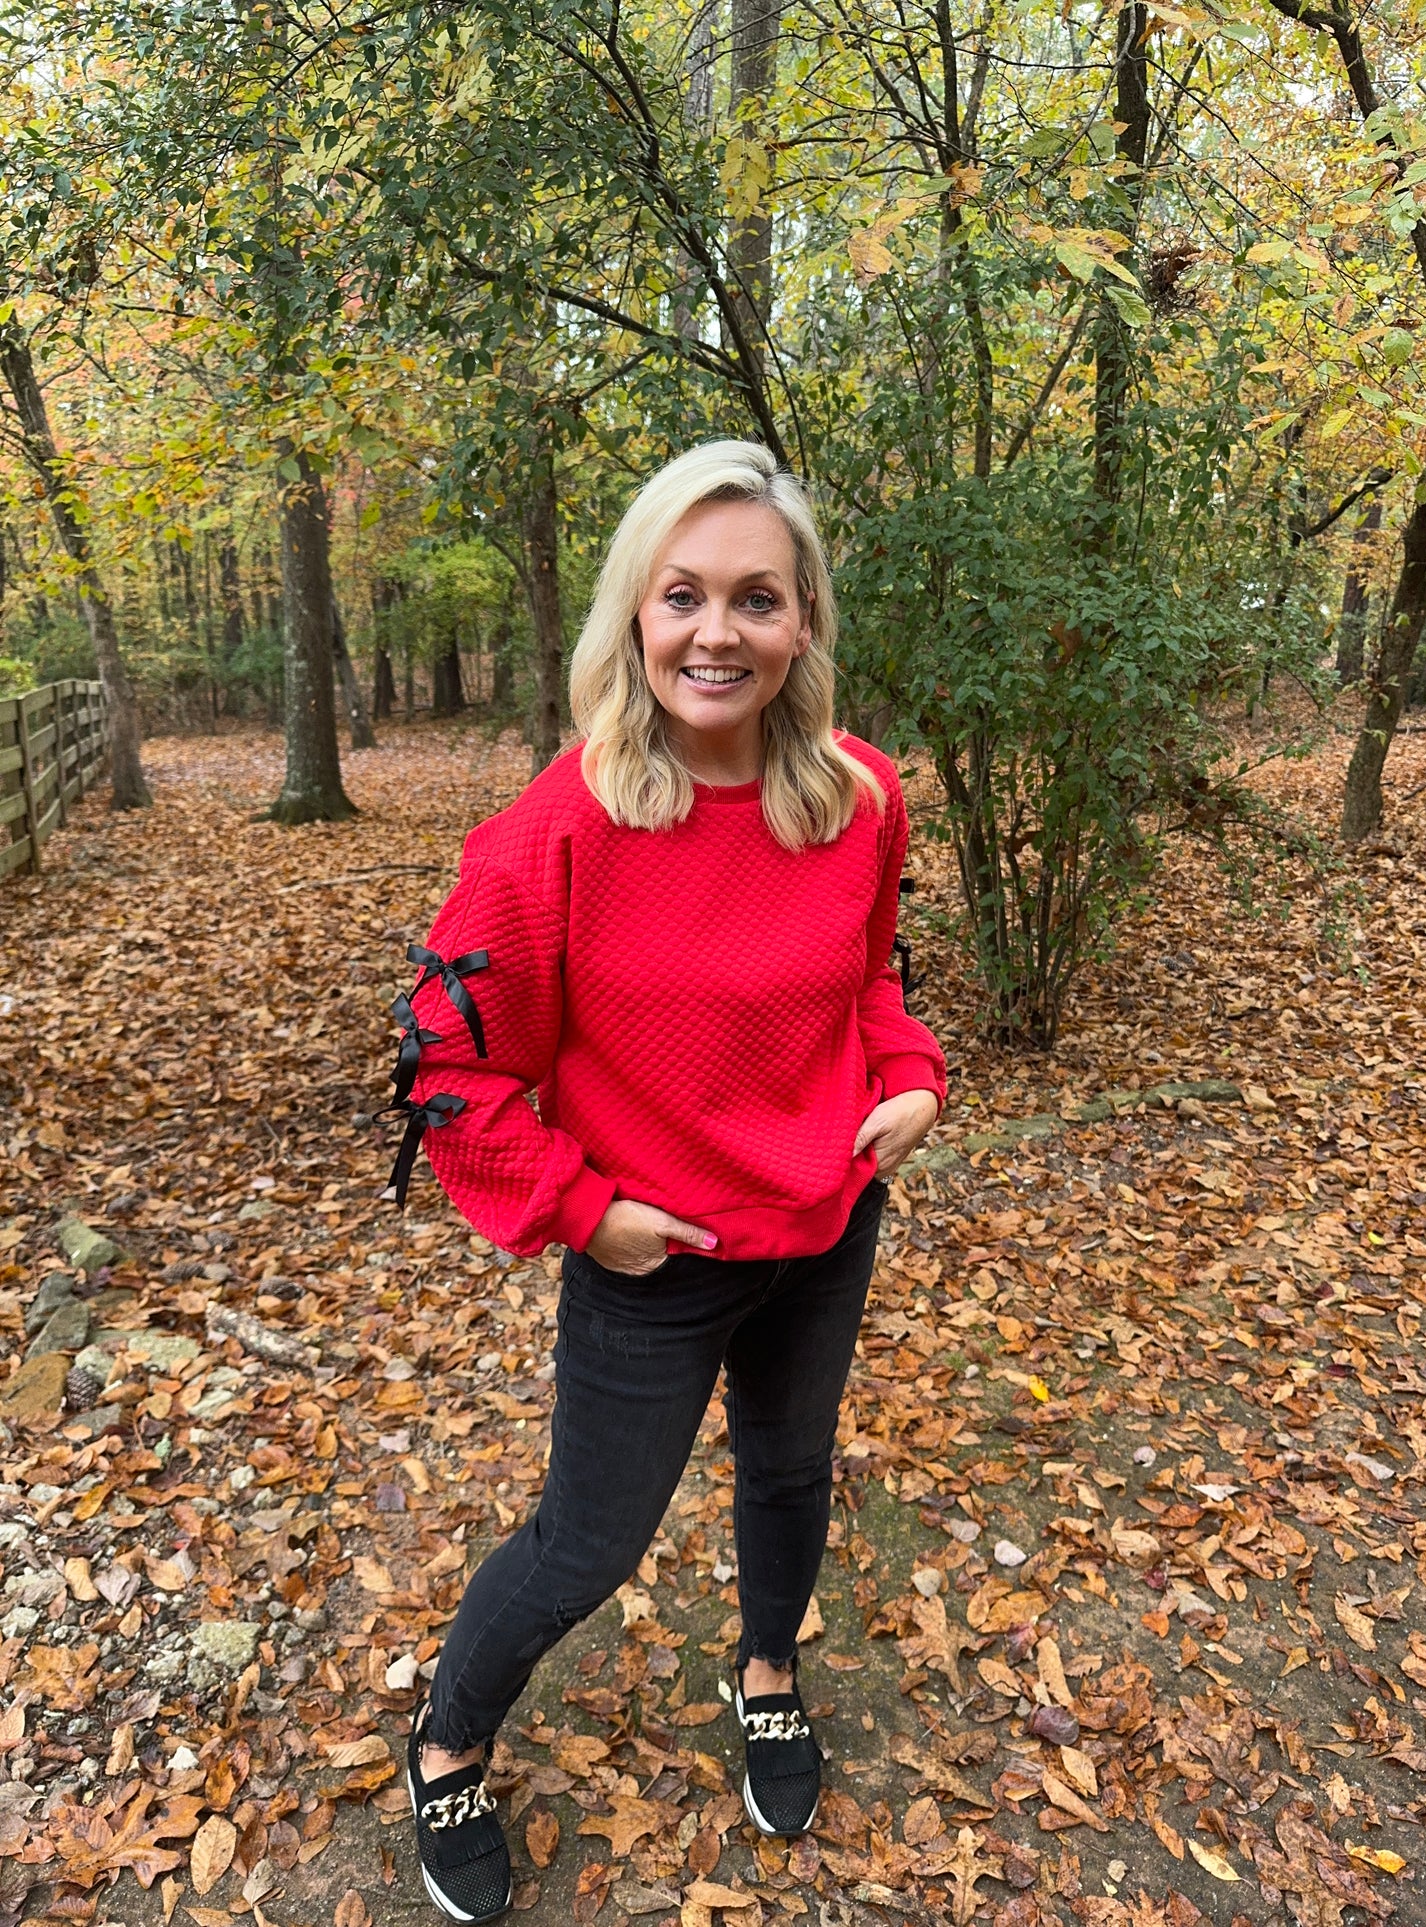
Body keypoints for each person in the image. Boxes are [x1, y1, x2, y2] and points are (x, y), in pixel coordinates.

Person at [390, 440, 947, 1923]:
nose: (719, 632)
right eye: (683, 595)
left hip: (823, 1223)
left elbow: (867, 984)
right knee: (586, 1542)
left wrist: (907, 1074)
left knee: (787, 1468)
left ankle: (768, 1674)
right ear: (634, 614)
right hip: (651, 1255)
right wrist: (586, 1210)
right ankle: (445, 1745)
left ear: (803, 622)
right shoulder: (555, 833)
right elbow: (449, 1064)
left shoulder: (858, 800)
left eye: (756, 599)